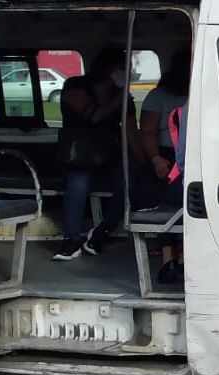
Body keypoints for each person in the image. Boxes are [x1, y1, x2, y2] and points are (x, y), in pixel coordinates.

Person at [54, 48, 140, 261]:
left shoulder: (123, 97)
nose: (126, 73)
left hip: (109, 154)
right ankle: (71, 239)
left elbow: (130, 131)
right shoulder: (75, 86)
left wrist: (142, 159)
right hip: (80, 154)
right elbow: (93, 116)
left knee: (128, 182)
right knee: (79, 181)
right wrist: (115, 94)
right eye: (122, 69)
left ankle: (103, 231)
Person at [136, 50, 191, 283]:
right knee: (164, 200)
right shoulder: (158, 97)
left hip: (193, 155)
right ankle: (169, 257)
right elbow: (147, 132)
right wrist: (156, 158)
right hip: (164, 155)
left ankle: (181, 258)